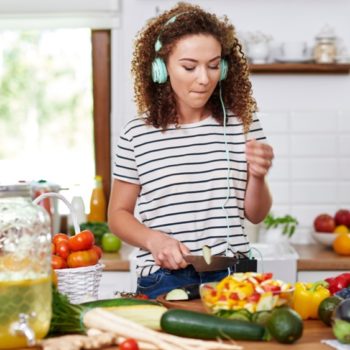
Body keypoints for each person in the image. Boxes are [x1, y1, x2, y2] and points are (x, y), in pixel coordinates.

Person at [108, 2, 274, 299]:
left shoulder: (243, 124)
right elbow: (118, 215)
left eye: (213, 66)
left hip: (234, 278)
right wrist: (154, 240)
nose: (204, 78)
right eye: (189, 66)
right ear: (161, 69)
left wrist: (259, 177)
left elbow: (256, 214)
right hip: (164, 278)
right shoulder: (136, 133)